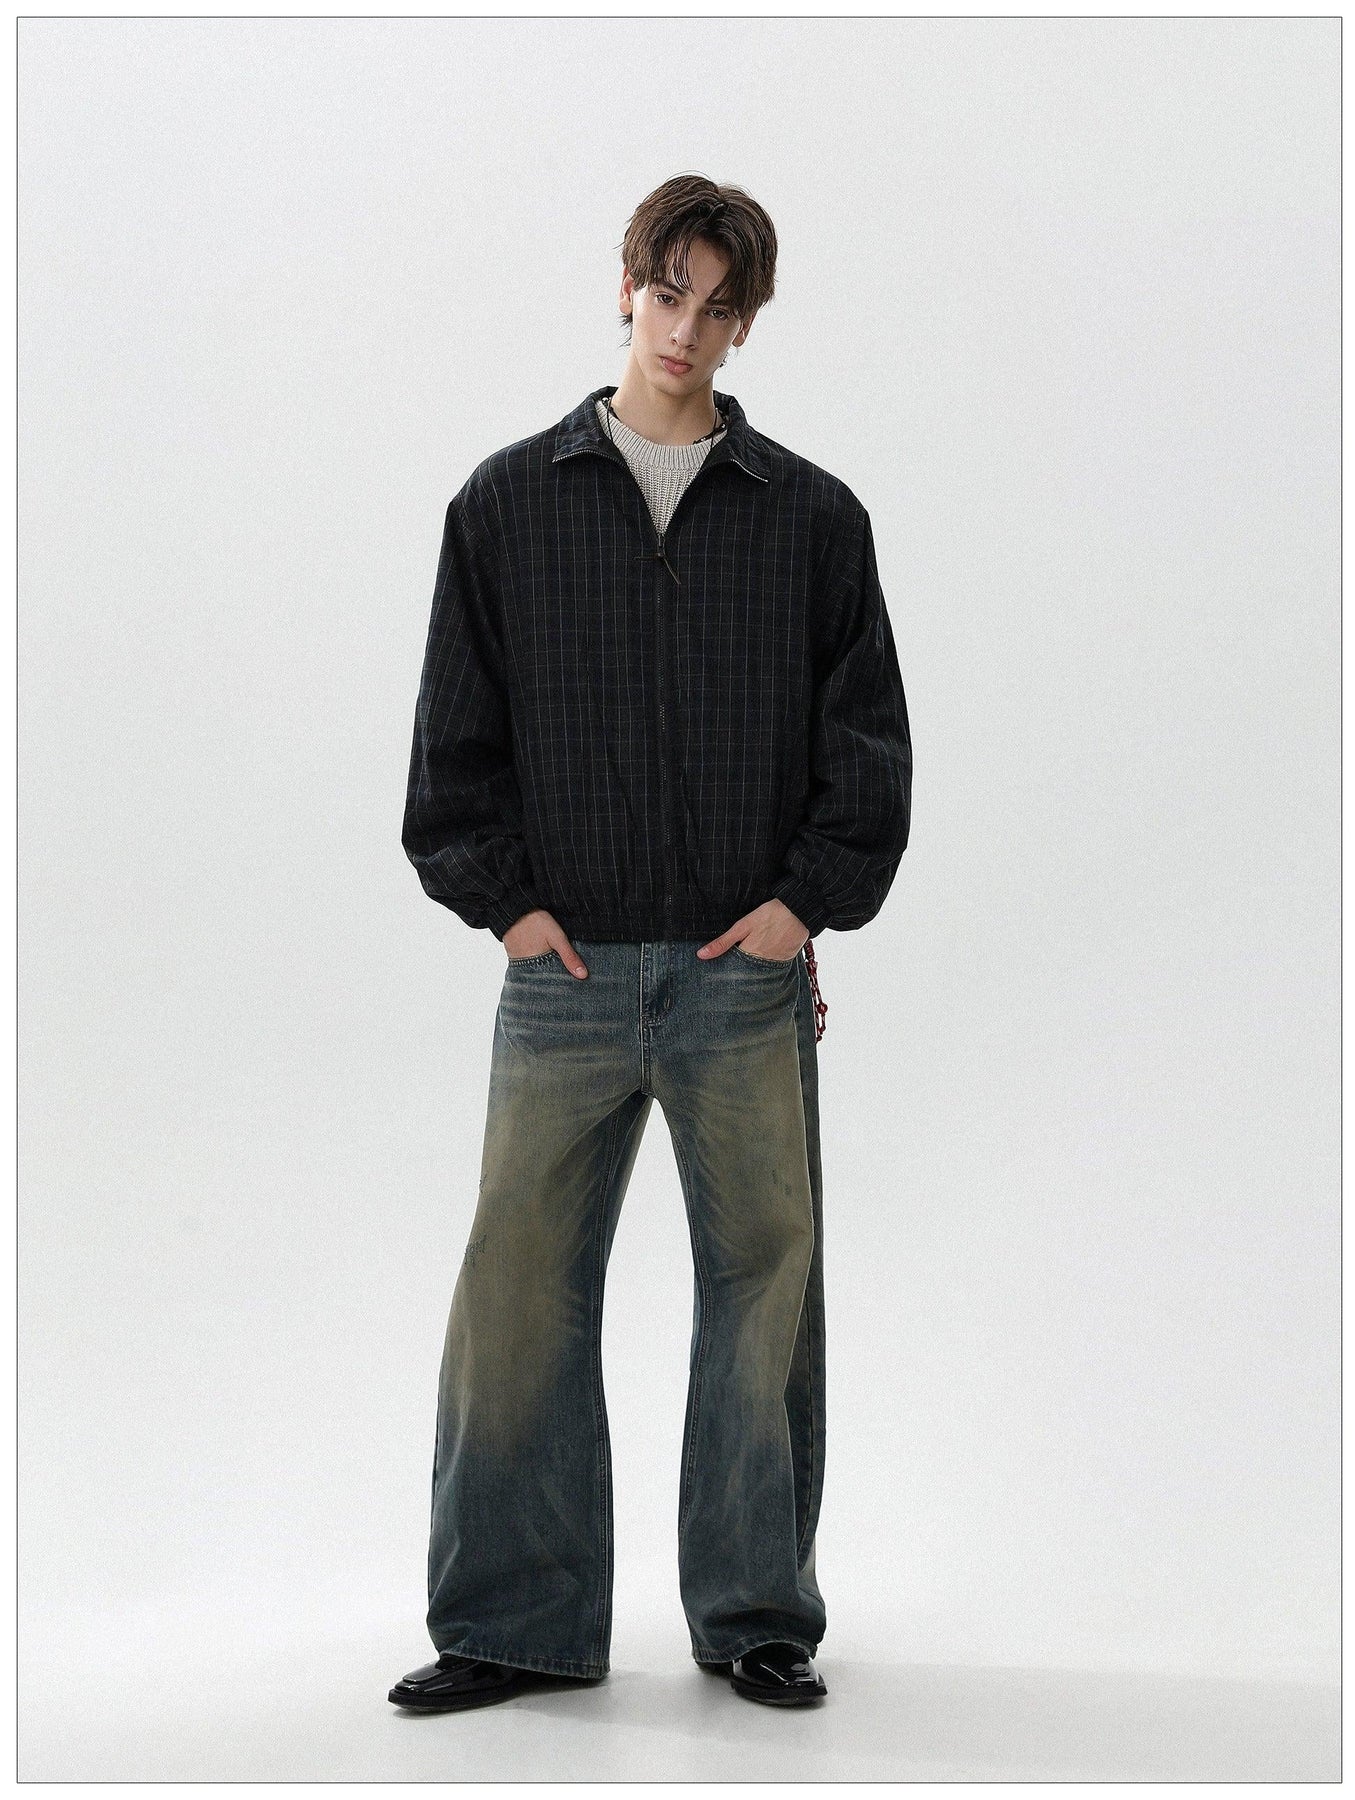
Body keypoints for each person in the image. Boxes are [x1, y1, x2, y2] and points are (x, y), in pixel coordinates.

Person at [390, 173, 912, 1713]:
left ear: (748, 325)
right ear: (626, 287)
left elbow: (866, 742)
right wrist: (508, 906)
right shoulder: (505, 505)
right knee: (515, 1296)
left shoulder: (812, 520)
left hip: (741, 981)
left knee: (765, 1299)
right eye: (668, 292)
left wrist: (804, 907)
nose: (686, 329)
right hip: (562, 984)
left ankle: (755, 1615)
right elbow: (452, 746)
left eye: (719, 307)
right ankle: (510, 1626)